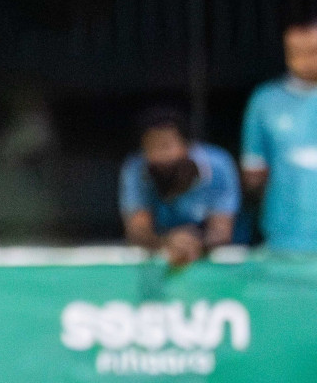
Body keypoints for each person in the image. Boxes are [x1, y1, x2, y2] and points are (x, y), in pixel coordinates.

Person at [119, 108, 239, 266]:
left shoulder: (219, 166)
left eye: (166, 145)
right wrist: (167, 241)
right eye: (150, 147)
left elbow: (222, 232)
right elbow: (137, 230)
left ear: (188, 146)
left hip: (218, 264)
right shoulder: (135, 169)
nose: (159, 156)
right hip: (161, 259)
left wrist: (192, 243)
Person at [241, 17, 317, 252]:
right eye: (296, 51)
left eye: (313, 50)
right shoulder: (265, 100)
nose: (305, 59)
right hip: (285, 238)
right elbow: (254, 173)